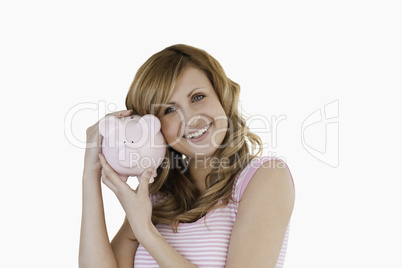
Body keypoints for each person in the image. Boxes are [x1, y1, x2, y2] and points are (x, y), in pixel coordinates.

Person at [79, 44, 295, 268]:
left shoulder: (266, 178)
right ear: (154, 127)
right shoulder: (156, 198)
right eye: (169, 110)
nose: (191, 118)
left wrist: (145, 231)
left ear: (221, 95)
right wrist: (90, 175)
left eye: (198, 97)